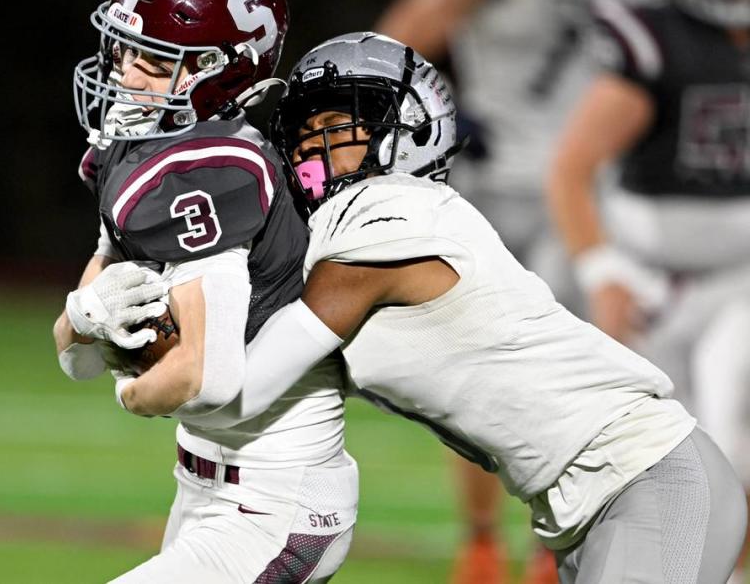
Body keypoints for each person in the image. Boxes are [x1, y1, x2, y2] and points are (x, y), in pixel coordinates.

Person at [101, 32, 748, 583]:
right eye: (301, 136)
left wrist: (141, 363)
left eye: (334, 130)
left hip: (650, 479)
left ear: (407, 130)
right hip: (585, 505)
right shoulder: (352, 231)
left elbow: (243, 388)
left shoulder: (391, 216)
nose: (308, 155)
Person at [374, 0, 678, 578]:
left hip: (592, 194)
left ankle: (559, 539)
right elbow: (393, 50)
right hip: (496, 187)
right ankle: (482, 537)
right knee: (475, 372)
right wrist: (435, 117)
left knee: (593, 373)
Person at [52, 0, 357, 584]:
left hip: (274, 498)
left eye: (155, 62)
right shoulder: (135, 148)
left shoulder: (216, 169)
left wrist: (127, 387)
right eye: (126, 51)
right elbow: (73, 353)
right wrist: (87, 315)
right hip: (202, 483)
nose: (127, 75)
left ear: (222, 71)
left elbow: (204, 376)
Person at [548, 0, 750, 580]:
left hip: (741, 277)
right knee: (622, 456)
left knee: (734, 436)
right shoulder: (657, 38)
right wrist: (603, 271)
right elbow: (572, 167)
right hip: (651, 279)